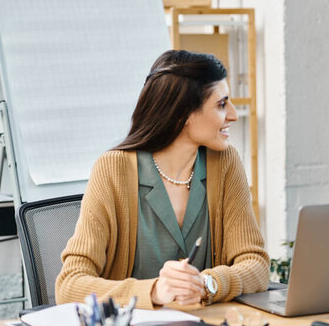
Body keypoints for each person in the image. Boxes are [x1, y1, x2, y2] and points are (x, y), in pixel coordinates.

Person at [56, 50, 269, 309]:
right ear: (183, 114)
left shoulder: (224, 163)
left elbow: (256, 265)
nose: (233, 115)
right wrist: (156, 290)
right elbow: (69, 285)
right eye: (221, 105)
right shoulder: (113, 169)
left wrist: (207, 284)